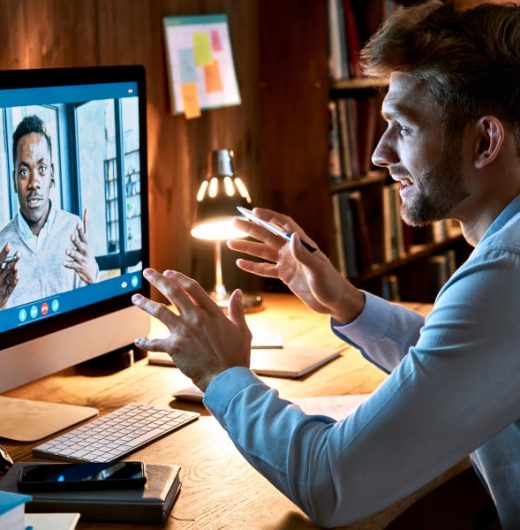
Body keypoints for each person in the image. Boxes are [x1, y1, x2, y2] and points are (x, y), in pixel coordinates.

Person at [132, 2, 520, 528]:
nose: (379, 154)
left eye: (402, 128)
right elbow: (464, 364)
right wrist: (348, 303)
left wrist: (221, 374)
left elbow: (334, 482)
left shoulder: (505, 274)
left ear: (485, 141)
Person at [0, 115, 98, 309]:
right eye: (24, 172)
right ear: (13, 181)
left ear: (52, 175)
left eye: (42, 169)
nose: (34, 183)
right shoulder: (2, 246)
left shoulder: (75, 230)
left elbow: (93, 312)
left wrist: (93, 278)